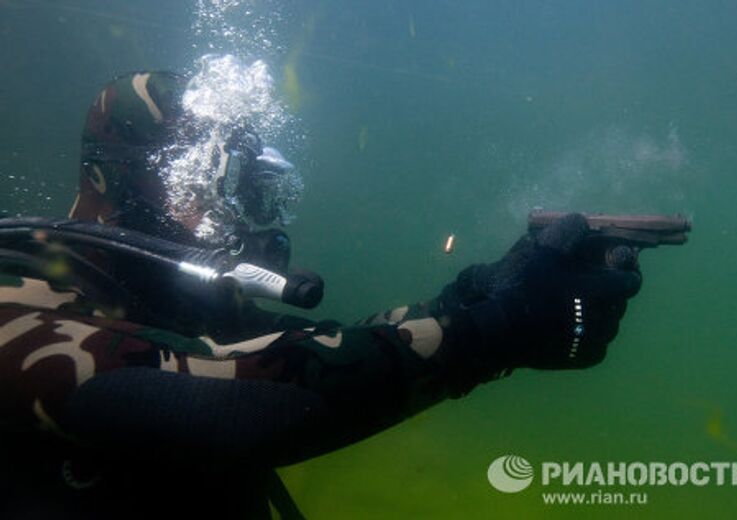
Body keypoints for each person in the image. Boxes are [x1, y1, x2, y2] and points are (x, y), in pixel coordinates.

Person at [0, 72, 641, 519]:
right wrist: (491, 332)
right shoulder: (14, 293)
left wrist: (473, 297)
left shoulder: (180, 307)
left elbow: (314, 348)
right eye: (221, 183)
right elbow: (227, 403)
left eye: (256, 192)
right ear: (122, 178)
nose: (243, 219)